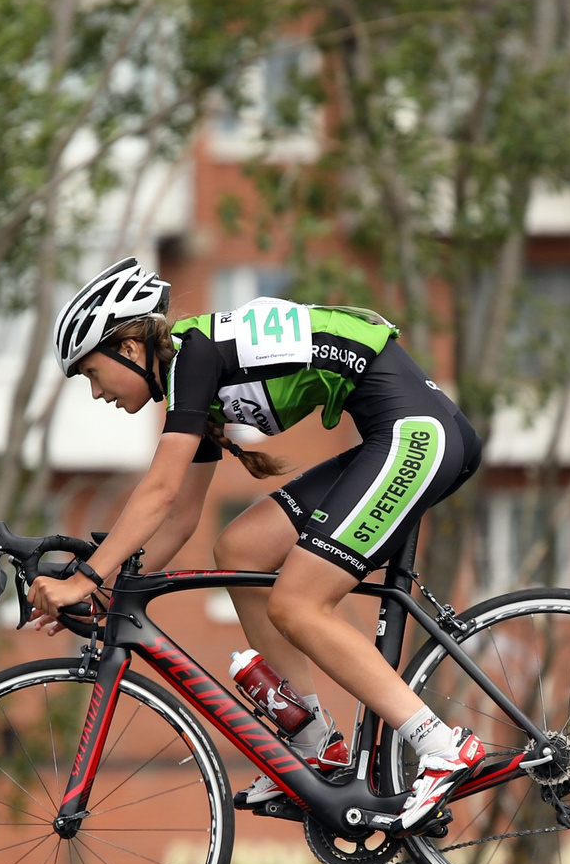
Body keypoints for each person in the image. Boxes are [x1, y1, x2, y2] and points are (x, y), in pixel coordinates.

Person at [35, 258, 486, 828]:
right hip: (396, 432)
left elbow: (158, 490)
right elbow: (179, 516)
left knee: (298, 603)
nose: (96, 392)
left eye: (93, 374)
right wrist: (104, 594)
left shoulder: (192, 353)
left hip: (416, 433)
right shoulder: (191, 378)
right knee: (242, 548)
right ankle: (317, 746)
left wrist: (84, 577)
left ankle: (442, 746)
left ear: (128, 349)